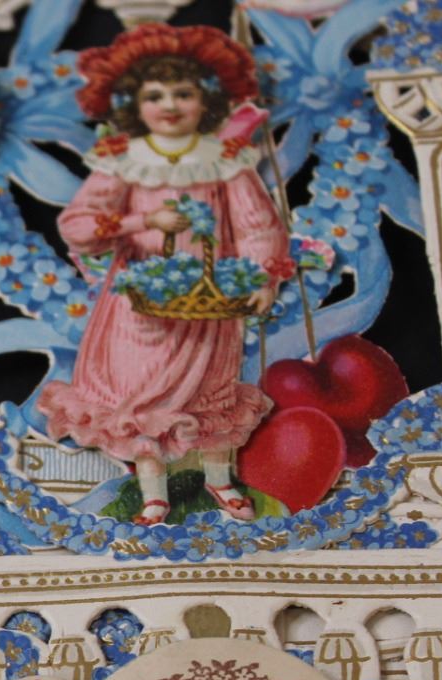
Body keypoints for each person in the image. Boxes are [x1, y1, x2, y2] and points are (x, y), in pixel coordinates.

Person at [36, 24, 292, 524]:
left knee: (211, 393)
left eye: (183, 94)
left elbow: (257, 225)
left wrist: (263, 278)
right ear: (136, 105)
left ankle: (220, 480)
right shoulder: (123, 162)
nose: (169, 105)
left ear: (206, 101)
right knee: (141, 397)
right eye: (155, 96)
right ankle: (153, 493)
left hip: (208, 302)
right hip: (139, 309)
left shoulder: (224, 161)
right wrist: (142, 222)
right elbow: (79, 225)